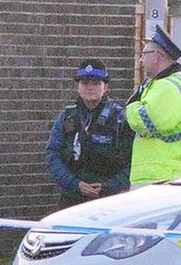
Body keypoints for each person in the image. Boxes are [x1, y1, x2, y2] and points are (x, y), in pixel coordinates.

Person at [125, 28, 181, 185]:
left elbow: (149, 122)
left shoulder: (167, 87)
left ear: (156, 57)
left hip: (163, 177)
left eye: (144, 54)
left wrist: (132, 106)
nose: (141, 60)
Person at [45, 59, 133, 207]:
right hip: (72, 198)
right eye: (85, 83)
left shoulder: (120, 118)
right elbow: (53, 154)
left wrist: (109, 187)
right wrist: (75, 184)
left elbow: (132, 162)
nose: (90, 87)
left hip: (110, 200)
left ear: (105, 88)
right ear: (78, 87)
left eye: (96, 83)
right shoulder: (67, 117)